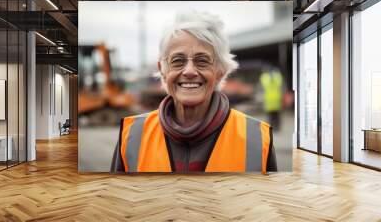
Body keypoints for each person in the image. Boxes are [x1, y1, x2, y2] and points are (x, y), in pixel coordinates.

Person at [111, 11, 277, 173]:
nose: (189, 71)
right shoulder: (131, 135)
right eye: (177, 61)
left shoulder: (257, 138)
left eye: (202, 61)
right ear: (163, 69)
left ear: (220, 71)